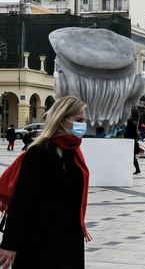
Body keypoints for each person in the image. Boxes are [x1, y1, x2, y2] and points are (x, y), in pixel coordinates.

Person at [0, 96, 91, 269]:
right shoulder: (41, 152)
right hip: (40, 240)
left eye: (84, 120)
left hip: (68, 238)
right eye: (78, 120)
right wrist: (9, 244)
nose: (83, 125)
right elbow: (21, 201)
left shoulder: (73, 151)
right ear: (61, 120)